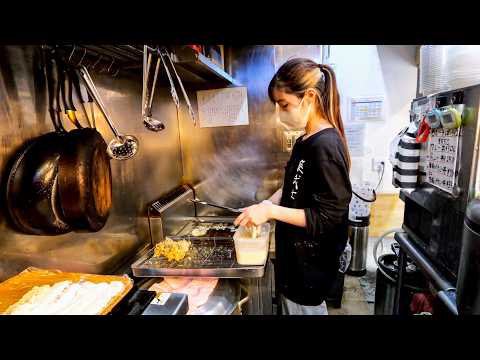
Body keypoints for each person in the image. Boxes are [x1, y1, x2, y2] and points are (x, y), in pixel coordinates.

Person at [234, 58, 352, 315]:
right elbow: (291, 186)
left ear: (309, 97)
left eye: (284, 104)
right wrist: (266, 204)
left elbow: (328, 219)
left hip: (310, 267)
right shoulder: (305, 141)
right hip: (296, 262)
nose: (279, 114)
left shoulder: (326, 146)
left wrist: (271, 213)